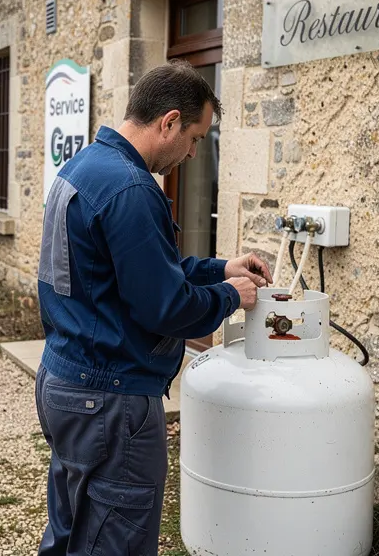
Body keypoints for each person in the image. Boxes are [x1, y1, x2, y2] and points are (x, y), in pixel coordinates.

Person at [34, 60, 274, 556]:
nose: (193, 153)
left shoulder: (82, 168)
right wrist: (232, 296)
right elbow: (165, 307)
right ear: (169, 122)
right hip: (109, 397)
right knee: (114, 544)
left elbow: (137, 273)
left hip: (64, 382)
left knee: (69, 533)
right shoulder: (132, 188)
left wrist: (219, 269)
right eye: (195, 138)